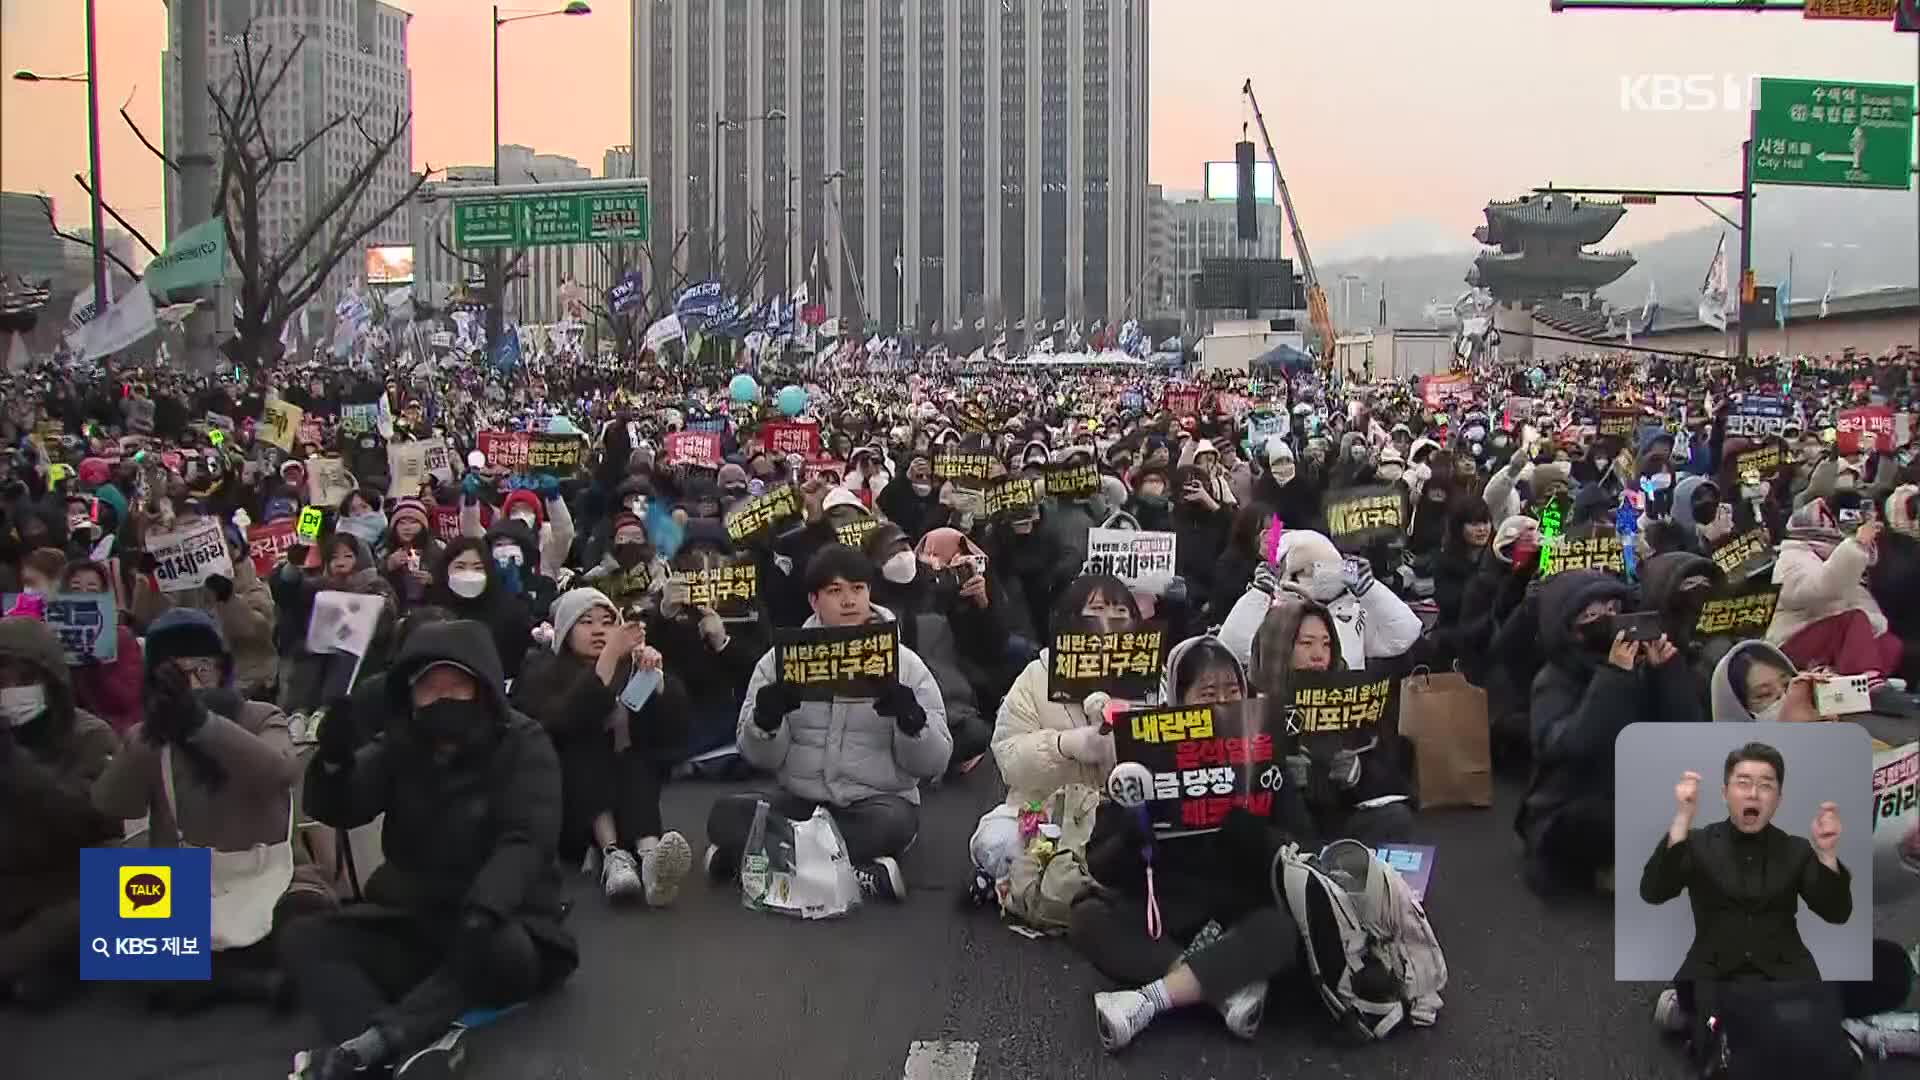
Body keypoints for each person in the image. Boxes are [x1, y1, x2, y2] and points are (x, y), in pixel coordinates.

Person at [281, 620, 577, 1080]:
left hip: (503, 920)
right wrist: (334, 762)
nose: (442, 698)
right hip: (418, 917)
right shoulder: (401, 746)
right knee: (306, 938)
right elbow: (344, 807)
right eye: (430, 688)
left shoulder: (523, 742)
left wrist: (485, 906)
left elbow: (526, 838)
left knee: (493, 947)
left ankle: (386, 1040)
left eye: (456, 685)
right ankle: (375, 1054)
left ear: (481, 688)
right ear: (411, 697)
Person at [1070, 635, 1311, 1051]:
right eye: (1207, 693)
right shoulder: (1143, 754)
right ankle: (1224, 987)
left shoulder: (1263, 751)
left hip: (1242, 908)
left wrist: (1254, 832)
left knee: (1284, 931)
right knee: (1087, 916)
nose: (1221, 703)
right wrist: (1133, 826)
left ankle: (1148, 1001)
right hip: (1167, 912)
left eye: (1233, 692)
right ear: (1178, 698)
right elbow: (1101, 864)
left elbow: (1303, 846)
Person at [90, 609, 315, 1010]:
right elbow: (111, 804)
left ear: (221, 669)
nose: (192, 681)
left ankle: (215, 972)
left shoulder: (260, 716)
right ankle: (243, 983)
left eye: (201, 668)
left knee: (310, 926)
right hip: (180, 877)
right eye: (174, 674)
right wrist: (148, 738)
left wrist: (202, 724)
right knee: (125, 948)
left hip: (263, 868)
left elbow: (280, 771)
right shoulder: (146, 734)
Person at [706, 544, 952, 901]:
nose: (849, 600)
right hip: (801, 800)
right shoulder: (780, 661)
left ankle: (753, 860)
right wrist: (766, 721)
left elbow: (935, 763)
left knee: (891, 824)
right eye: (835, 591)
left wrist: (912, 722)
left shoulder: (906, 664)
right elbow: (757, 757)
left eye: (858, 589)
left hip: (875, 803)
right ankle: (856, 872)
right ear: (813, 600)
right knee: (726, 813)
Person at [1517, 568, 1702, 896]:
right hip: (1572, 801)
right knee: (1609, 818)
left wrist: (1667, 673)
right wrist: (1613, 677)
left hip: (1631, 783)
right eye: (1591, 614)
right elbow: (1574, 746)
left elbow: (1686, 733)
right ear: (1570, 628)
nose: (1607, 620)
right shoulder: (1554, 680)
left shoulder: (1641, 664)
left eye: (1613, 610)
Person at [512, 588, 694, 907]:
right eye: (586, 622)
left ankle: (651, 858)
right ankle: (612, 855)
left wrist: (656, 680)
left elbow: (673, 732)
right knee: (586, 744)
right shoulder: (542, 671)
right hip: (573, 807)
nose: (598, 630)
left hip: (630, 798)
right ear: (566, 630)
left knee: (635, 756)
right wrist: (609, 657)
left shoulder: (630, 666)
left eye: (607, 622)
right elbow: (563, 720)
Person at [973, 575, 1148, 880]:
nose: (1108, 622)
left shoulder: (1148, 682)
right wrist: (1063, 745)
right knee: (996, 842)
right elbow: (1008, 757)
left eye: (1120, 613)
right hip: (1044, 812)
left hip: (1118, 820)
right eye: (1096, 610)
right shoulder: (1037, 676)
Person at [1640, 743, 1851, 991]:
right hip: (1711, 970)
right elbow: (1653, 892)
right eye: (1743, 783)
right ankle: (1678, 1006)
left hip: (1785, 971)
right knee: (1707, 1022)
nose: (1753, 793)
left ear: (1778, 799)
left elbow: (1837, 913)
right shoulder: (1698, 843)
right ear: (1724, 793)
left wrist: (1827, 855)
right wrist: (1682, 817)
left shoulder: (1797, 849)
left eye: (1766, 785)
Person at [0, 616, 119, 1007]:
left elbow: (93, 818)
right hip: (13, 884)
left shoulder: (89, 735)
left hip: (70, 880)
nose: (11, 692)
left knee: (146, 886)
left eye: (23, 680)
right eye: (2, 681)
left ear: (51, 683)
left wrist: (15, 766)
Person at [1250, 596, 1413, 846]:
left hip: (1341, 823)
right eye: (1306, 643)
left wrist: (1358, 772)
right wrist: (1280, 781)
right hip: (1285, 837)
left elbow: (1394, 780)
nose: (1319, 655)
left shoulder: (1348, 691)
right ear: (1280, 648)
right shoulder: (1251, 705)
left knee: (1395, 819)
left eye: (1326, 644)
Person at [1767, 499, 1901, 676]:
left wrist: (1874, 626)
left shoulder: (1828, 556)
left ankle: (1870, 684)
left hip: (1827, 634)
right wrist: (1856, 545)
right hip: (1792, 640)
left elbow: (1855, 600)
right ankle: (1862, 679)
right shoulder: (1791, 558)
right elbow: (1819, 590)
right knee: (1855, 620)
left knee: (1889, 643)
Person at [58, 560, 146, 735]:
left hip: (117, 731)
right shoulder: (56, 636)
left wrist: (96, 662)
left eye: (92, 590)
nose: (83, 596)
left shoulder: (121, 637)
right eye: (75, 589)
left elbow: (127, 699)